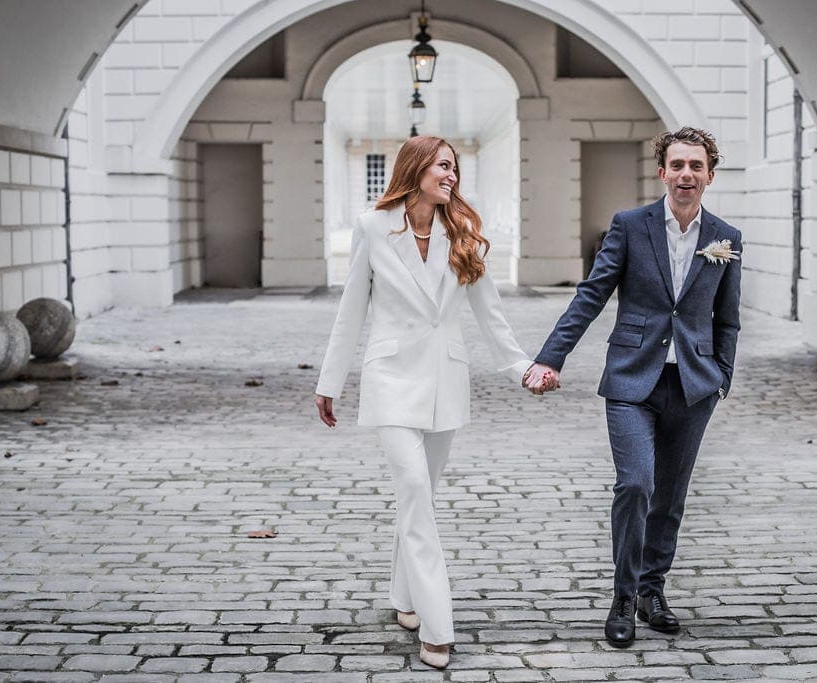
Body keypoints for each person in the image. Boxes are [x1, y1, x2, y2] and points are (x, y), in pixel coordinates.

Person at [314, 135, 534, 669]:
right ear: (416, 169)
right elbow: (351, 308)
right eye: (443, 166)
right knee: (414, 489)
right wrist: (331, 380)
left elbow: (491, 313)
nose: (452, 175)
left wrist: (521, 367)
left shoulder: (463, 233)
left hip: (444, 383)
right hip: (389, 377)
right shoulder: (373, 225)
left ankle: (403, 597)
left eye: (455, 167)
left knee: (420, 497)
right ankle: (437, 626)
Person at [524, 127, 741, 647]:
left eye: (696, 166)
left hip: (692, 384)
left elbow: (726, 319)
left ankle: (652, 590)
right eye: (677, 165)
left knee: (670, 496)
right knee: (637, 485)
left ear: (709, 175)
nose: (686, 174)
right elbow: (591, 296)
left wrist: (721, 377)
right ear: (662, 171)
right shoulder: (629, 226)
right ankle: (623, 595)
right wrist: (550, 358)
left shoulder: (726, 237)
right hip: (631, 378)